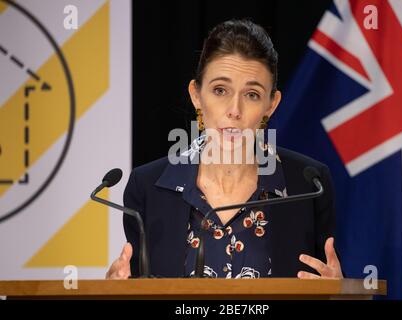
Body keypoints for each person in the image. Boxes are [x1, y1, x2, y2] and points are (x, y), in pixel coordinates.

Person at [106, 19, 343, 280]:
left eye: (252, 94)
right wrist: (116, 291)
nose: (234, 110)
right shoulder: (148, 187)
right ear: (196, 95)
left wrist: (339, 294)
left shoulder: (308, 185)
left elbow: (328, 283)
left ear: (271, 105)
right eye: (220, 90)